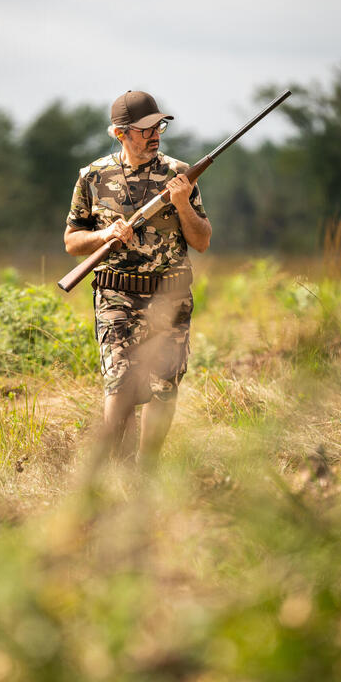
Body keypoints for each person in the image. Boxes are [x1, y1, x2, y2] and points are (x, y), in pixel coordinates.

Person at [63, 90, 212, 465]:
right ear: (120, 134)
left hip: (170, 296)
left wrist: (181, 204)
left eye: (158, 126)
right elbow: (71, 241)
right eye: (144, 129)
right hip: (116, 296)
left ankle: (146, 470)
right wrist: (104, 235)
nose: (155, 134)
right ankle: (111, 469)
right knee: (120, 384)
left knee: (165, 388)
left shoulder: (179, 174)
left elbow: (202, 240)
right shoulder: (93, 177)